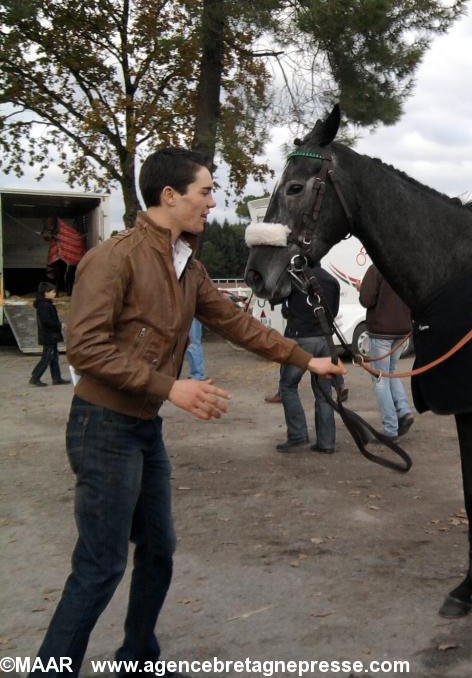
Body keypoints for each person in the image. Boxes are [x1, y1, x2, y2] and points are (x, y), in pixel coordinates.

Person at [31, 147, 344, 678]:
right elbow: (85, 349)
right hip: (102, 426)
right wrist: (170, 387)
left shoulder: (186, 264)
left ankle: (137, 657)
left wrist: (306, 358)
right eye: (204, 191)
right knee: (101, 565)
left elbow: (236, 323)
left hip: (142, 427)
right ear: (169, 195)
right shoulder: (114, 257)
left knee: (158, 550)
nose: (212, 201)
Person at [276, 266, 342, 454]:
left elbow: (282, 304)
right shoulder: (331, 279)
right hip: (325, 339)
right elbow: (333, 311)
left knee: (288, 385)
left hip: (301, 338)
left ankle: (297, 436)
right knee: (324, 392)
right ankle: (326, 442)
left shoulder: (293, 278)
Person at [358, 265, 414, 440]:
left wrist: (361, 289)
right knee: (389, 373)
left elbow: (366, 300)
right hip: (403, 329)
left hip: (382, 331)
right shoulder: (403, 268)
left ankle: (390, 429)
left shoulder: (376, 269)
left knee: (380, 379)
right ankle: (404, 411)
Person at [29, 281, 71, 387]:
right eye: (52, 292)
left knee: (54, 358)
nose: (54, 294)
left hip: (51, 335)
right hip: (49, 336)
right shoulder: (44, 305)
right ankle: (35, 377)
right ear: (45, 293)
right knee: (47, 357)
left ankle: (57, 378)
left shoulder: (46, 304)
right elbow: (47, 321)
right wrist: (60, 325)